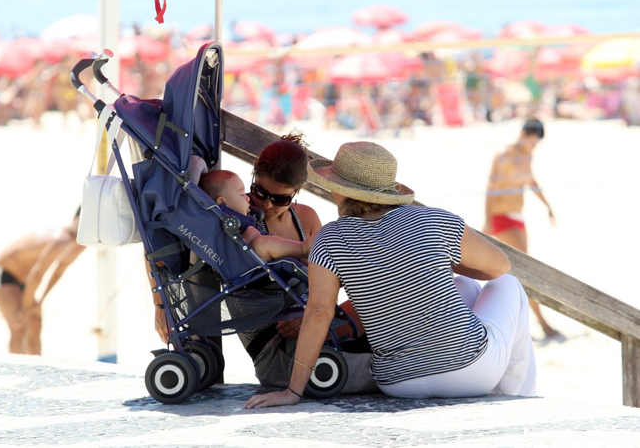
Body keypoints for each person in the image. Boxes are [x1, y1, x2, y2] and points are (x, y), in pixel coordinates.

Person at [244, 141, 536, 408]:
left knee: (464, 287)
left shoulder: (329, 239)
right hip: (469, 373)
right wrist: (434, 259)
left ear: (338, 189)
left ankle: (496, 386)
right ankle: (516, 399)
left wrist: (293, 391)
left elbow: (318, 312)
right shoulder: (432, 219)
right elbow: (500, 267)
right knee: (509, 285)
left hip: (398, 383)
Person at [239, 131, 375, 393]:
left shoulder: (306, 219)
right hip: (278, 350)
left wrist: (310, 315)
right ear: (253, 176)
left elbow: (333, 282)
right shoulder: (244, 221)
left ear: (297, 191)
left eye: (280, 199)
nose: (266, 204)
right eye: (259, 191)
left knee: (383, 293)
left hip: (317, 325)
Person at [483, 118, 559, 338]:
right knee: (526, 270)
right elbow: (490, 189)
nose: (534, 146)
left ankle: (519, 325)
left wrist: (548, 206)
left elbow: (531, 181)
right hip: (501, 217)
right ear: (523, 134)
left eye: (537, 143)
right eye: (533, 141)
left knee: (516, 271)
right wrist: (487, 221)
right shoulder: (503, 155)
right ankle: (544, 324)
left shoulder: (527, 155)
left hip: (518, 217)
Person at [0, 208, 85, 355]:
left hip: (24, 278)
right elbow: (37, 274)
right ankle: (16, 371)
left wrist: (39, 302)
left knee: (35, 323)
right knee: (20, 326)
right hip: (1, 272)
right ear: (75, 220)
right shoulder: (61, 239)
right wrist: (26, 308)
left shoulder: (80, 243)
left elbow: (58, 271)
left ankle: (37, 369)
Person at [197, 169, 312, 261]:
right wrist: (246, 240)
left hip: (265, 264)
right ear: (222, 202)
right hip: (249, 266)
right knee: (262, 243)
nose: (248, 198)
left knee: (266, 242)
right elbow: (226, 254)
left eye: (280, 199)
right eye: (242, 195)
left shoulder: (236, 218)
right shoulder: (222, 222)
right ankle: (302, 248)